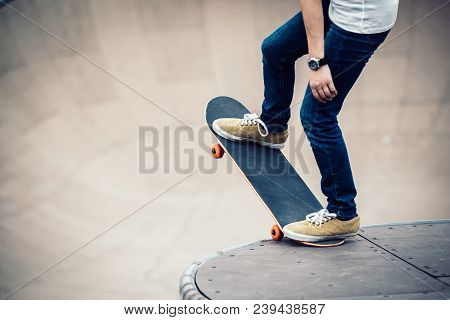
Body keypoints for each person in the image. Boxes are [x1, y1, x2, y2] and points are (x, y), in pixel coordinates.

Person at [212, 0, 399, 242]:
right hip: (340, 5)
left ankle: (343, 213)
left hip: (359, 22)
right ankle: (273, 126)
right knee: (275, 49)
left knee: (317, 116)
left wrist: (318, 63)